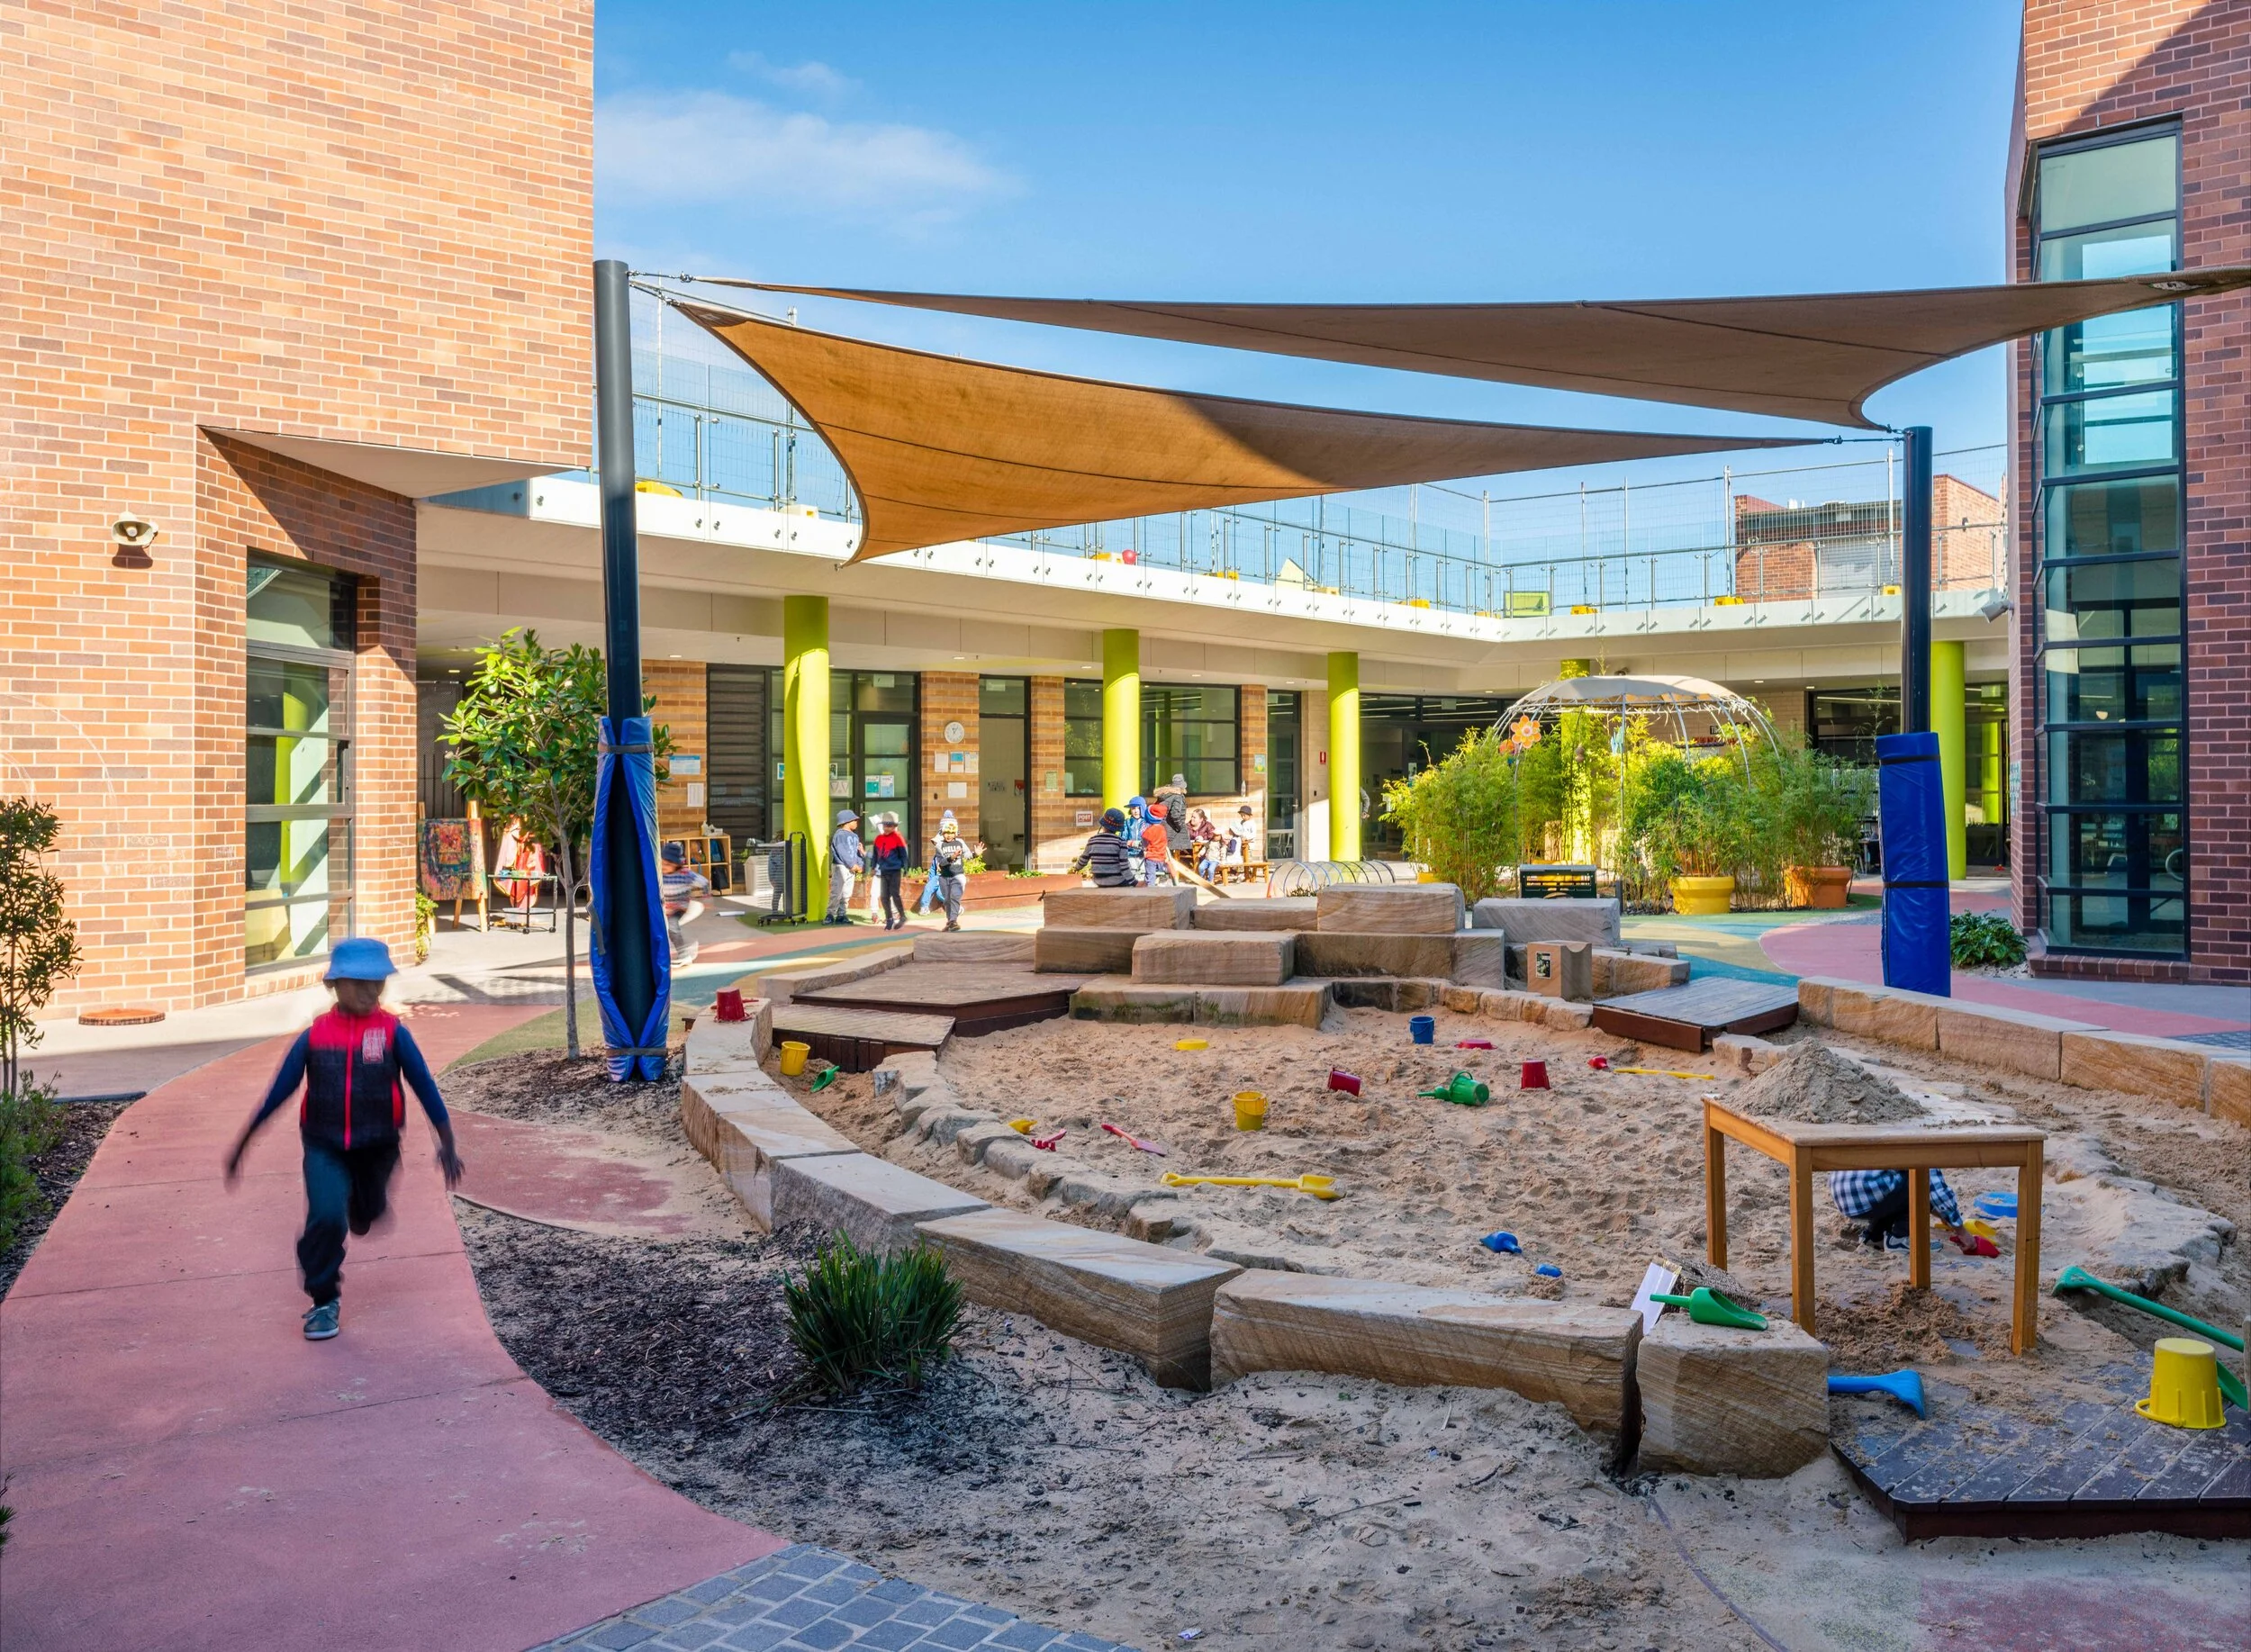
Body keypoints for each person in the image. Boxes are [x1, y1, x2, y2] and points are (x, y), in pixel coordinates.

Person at [223, 938, 464, 1341]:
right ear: (334, 984)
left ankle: (362, 1204)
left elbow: (424, 1084)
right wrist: (244, 1142)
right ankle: (323, 1300)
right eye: (359, 983)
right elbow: (279, 1091)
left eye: (378, 983)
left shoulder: (392, 1033)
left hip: (378, 1146)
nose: (370, 991)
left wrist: (447, 1140)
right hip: (324, 1143)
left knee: (368, 1211)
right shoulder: (315, 1037)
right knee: (325, 1216)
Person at [1829, 1167, 1986, 1254]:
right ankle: (1900, 1238)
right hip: (1870, 1193)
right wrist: (1961, 1231)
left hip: (1845, 1196)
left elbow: (1899, 1198)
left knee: (1893, 1184)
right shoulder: (1923, 1138)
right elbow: (1936, 1190)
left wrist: (1942, 1216)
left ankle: (1873, 1236)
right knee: (1917, 1179)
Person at [659, 840, 710, 965]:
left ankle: (684, 954)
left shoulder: (685, 874)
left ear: (676, 864)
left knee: (672, 927)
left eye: (668, 864)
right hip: (666, 905)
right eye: (662, 863)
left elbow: (704, 882)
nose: (664, 867)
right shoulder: (660, 874)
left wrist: (706, 896)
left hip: (679, 906)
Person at [929, 815, 980, 931]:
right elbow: (941, 862)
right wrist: (951, 857)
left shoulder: (960, 842)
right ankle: (950, 921)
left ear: (956, 833)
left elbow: (967, 855)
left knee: (955, 897)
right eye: (947, 832)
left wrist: (975, 854)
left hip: (958, 875)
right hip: (944, 876)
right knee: (946, 900)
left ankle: (953, 920)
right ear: (942, 833)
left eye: (952, 833)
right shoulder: (940, 845)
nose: (949, 835)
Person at [1071, 808, 1135, 887]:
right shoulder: (1121, 841)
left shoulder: (1092, 840)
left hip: (1098, 881)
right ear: (1119, 828)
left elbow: (1083, 860)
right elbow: (1124, 866)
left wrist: (1075, 869)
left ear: (1103, 824)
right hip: (1117, 881)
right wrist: (1134, 882)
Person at [872, 811, 910, 930]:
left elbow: (904, 854)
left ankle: (902, 916)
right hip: (884, 870)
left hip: (895, 870)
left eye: (890, 825)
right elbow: (875, 855)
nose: (887, 828)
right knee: (884, 896)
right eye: (885, 825)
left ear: (894, 826)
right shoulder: (878, 839)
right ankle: (889, 918)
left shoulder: (898, 838)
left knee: (894, 893)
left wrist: (906, 868)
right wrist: (873, 867)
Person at [827, 807, 862, 923]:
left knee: (847, 892)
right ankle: (830, 914)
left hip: (851, 868)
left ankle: (842, 914)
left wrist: (859, 864)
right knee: (836, 891)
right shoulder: (840, 835)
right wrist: (852, 864)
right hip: (840, 866)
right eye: (854, 820)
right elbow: (842, 852)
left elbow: (857, 852)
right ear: (846, 822)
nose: (856, 822)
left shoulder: (855, 836)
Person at [1138, 804, 1173, 884]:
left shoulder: (1149, 830)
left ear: (1149, 816)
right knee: (1161, 875)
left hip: (1151, 857)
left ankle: (1151, 893)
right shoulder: (1163, 829)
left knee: (1150, 877)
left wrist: (1139, 847)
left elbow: (1144, 844)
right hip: (1162, 857)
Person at [1189, 808, 1221, 880]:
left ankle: (1204, 877)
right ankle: (1198, 876)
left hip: (1206, 849)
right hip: (1190, 849)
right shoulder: (1188, 826)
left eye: (1194, 817)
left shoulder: (1208, 825)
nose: (1192, 819)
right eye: (1192, 817)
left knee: (1202, 857)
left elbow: (1213, 835)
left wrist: (1203, 837)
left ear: (1201, 819)